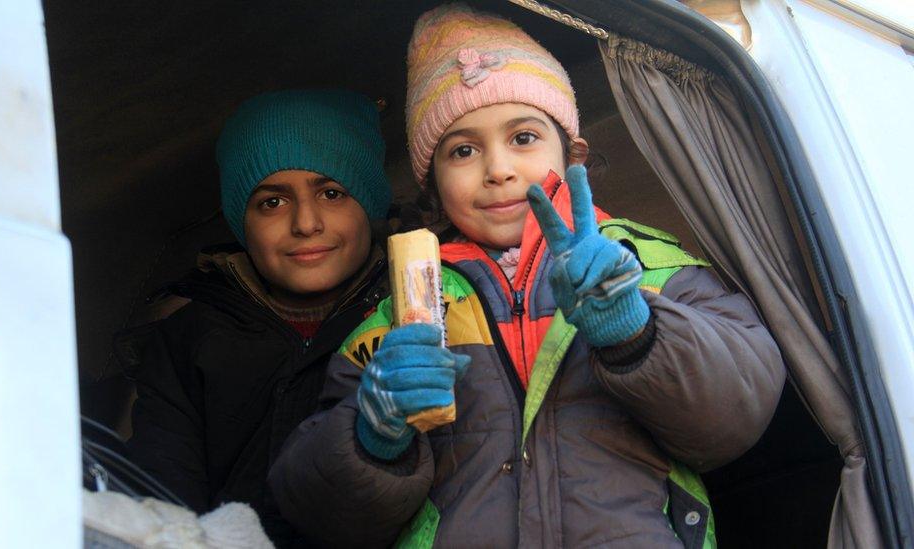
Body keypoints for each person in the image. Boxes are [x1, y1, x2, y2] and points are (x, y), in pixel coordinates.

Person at [269, 5, 785, 547]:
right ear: (433, 184)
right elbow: (316, 507)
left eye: (523, 139)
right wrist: (372, 437)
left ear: (572, 153)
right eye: (463, 150)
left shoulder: (656, 268)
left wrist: (635, 331)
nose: (498, 169)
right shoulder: (395, 312)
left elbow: (735, 419)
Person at [126, 89, 392, 546]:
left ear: (368, 205)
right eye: (272, 202)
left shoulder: (424, 310)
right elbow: (163, 499)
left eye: (332, 192)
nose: (306, 223)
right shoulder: (188, 338)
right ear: (240, 221)